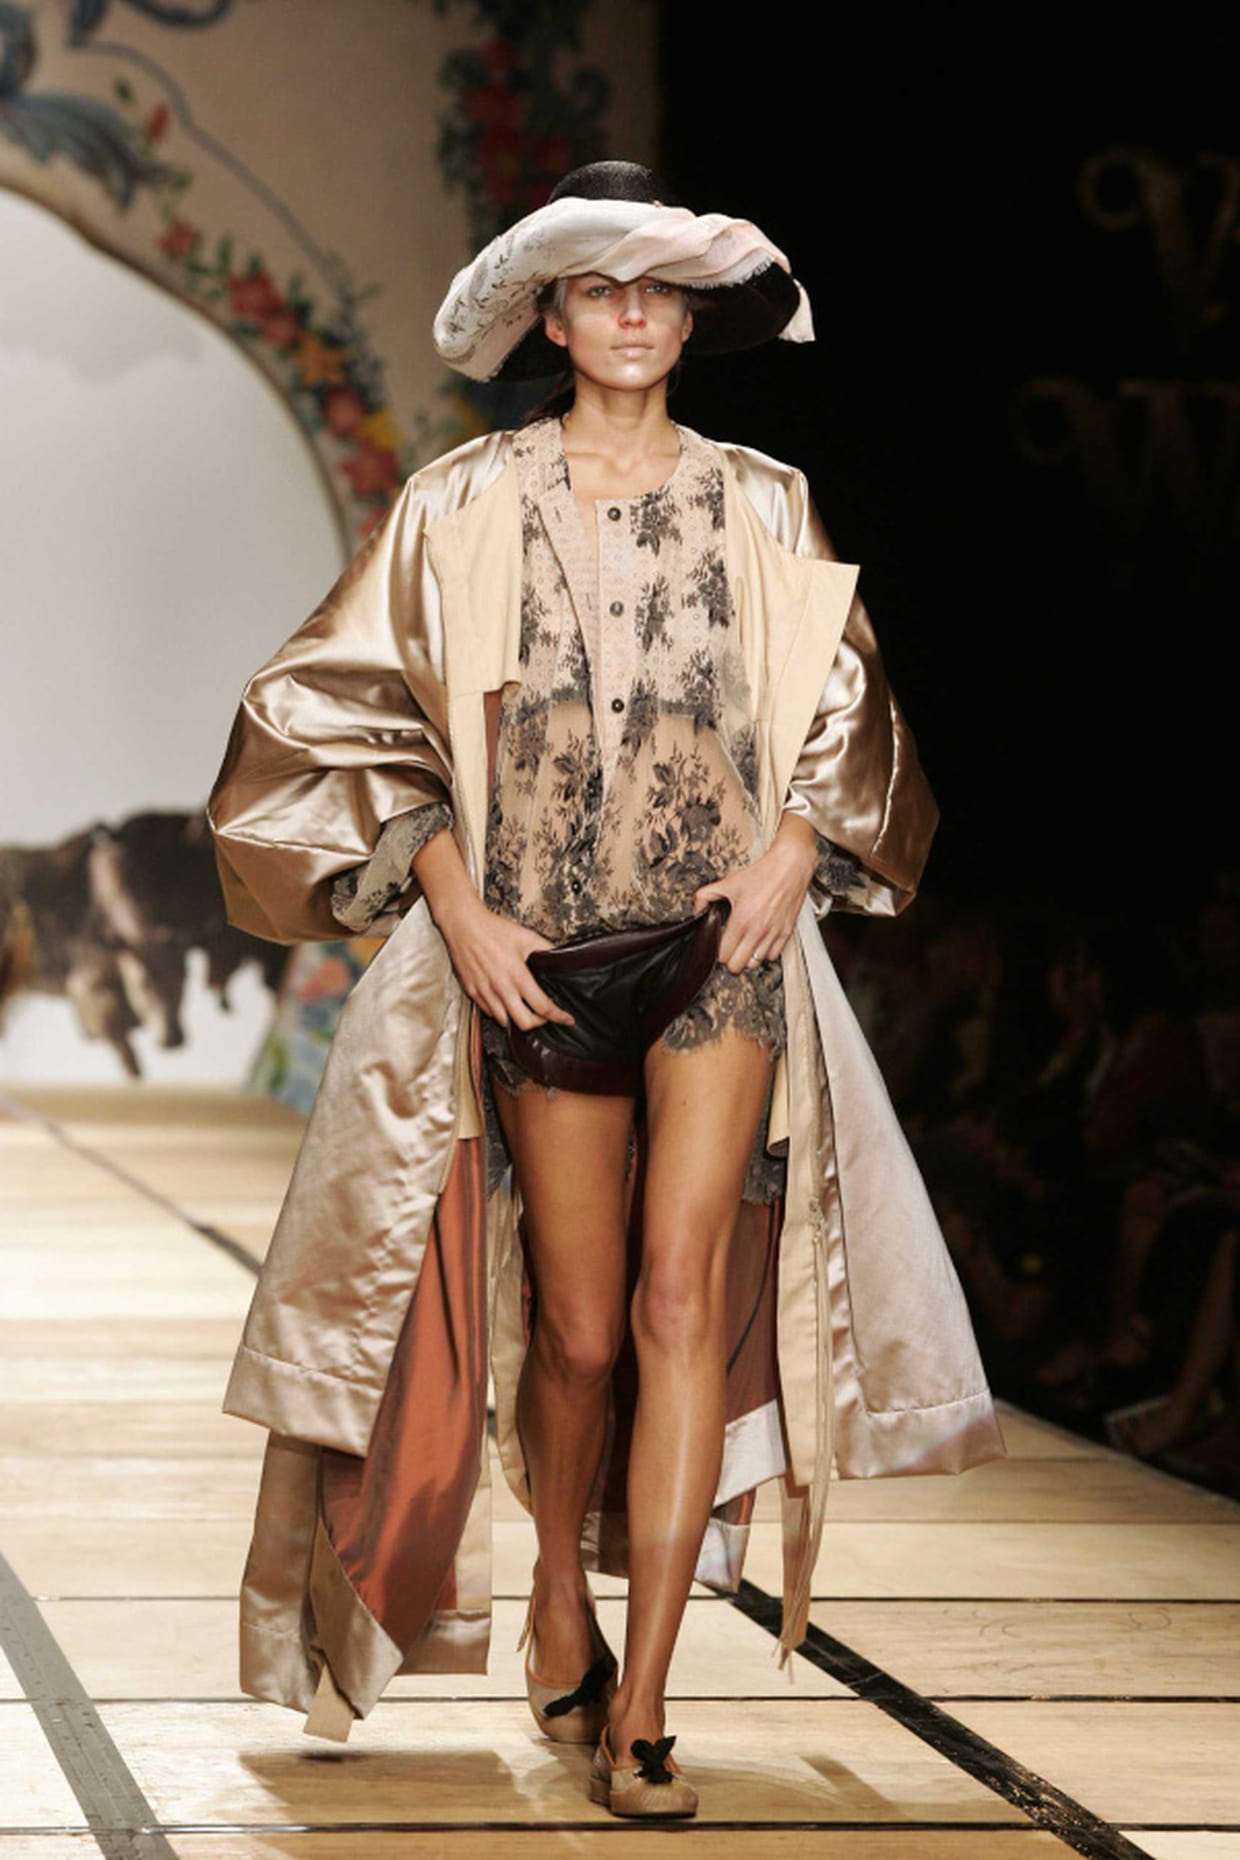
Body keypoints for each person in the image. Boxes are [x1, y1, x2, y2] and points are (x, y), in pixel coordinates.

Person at [207, 160, 1006, 1821]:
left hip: (720, 948)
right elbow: (329, 711)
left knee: (678, 1303)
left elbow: (849, 714)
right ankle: (560, 1602)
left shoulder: (766, 499)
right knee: (574, 1332)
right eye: (598, 288)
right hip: (540, 954)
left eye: (658, 290)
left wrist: (795, 850)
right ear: (552, 319)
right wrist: (458, 905)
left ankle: (642, 1705)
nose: (632, 314)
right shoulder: (461, 501)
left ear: (691, 321)